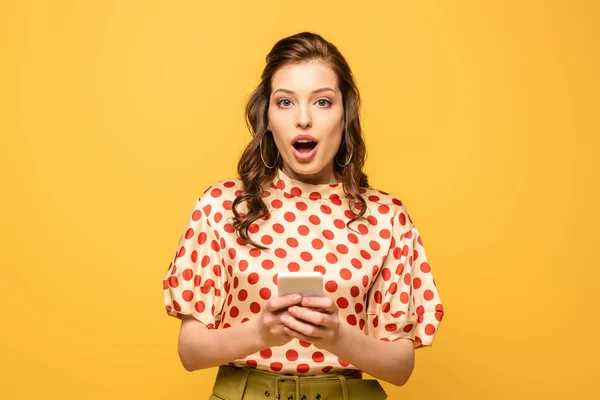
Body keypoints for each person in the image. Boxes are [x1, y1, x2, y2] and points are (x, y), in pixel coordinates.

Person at [162, 31, 445, 400]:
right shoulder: (222, 206)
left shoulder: (387, 218)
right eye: (285, 103)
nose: (304, 119)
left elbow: (400, 367)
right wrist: (260, 333)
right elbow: (190, 351)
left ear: (346, 116)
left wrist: (337, 336)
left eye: (323, 102)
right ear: (266, 118)